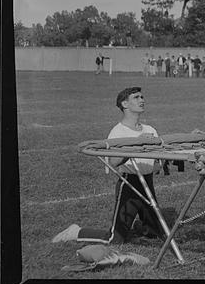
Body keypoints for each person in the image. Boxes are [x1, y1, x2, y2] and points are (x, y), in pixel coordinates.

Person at [52, 87, 164, 245]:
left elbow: (157, 164)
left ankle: (141, 225)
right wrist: (137, 144)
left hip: (148, 182)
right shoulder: (118, 132)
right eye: (136, 98)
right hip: (129, 185)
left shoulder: (150, 129)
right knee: (115, 239)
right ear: (124, 104)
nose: (142, 100)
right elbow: (113, 163)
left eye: (142, 97)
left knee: (158, 235)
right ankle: (76, 232)